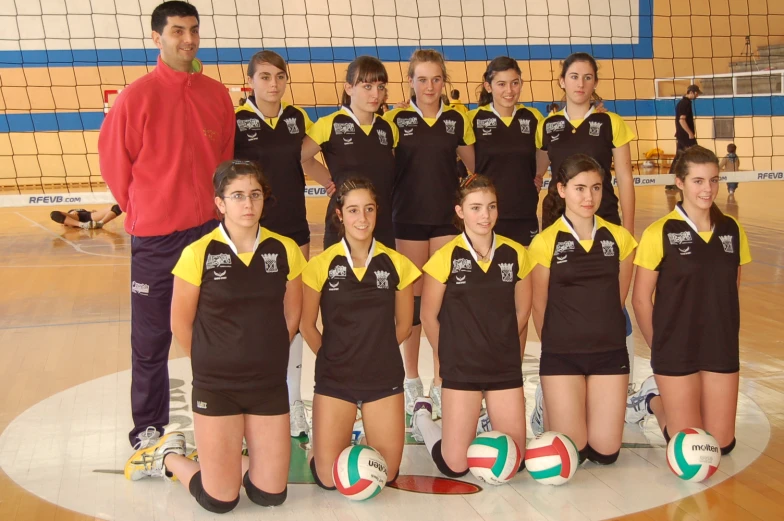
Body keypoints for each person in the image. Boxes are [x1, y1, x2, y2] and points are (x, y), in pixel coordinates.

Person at [125, 161, 306, 513]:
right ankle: (169, 457)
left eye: (254, 195)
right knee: (220, 500)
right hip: (216, 384)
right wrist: (213, 360)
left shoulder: (284, 249)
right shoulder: (198, 253)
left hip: (267, 384)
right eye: (237, 196)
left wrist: (264, 353)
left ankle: (218, 461)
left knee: (271, 495)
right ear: (220, 204)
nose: (248, 204)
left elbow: (291, 315)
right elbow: (180, 324)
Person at [98, 1, 235, 454]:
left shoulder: (216, 95)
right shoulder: (135, 98)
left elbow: (227, 167)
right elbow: (116, 168)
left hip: (209, 235)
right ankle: (149, 430)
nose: (188, 39)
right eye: (177, 31)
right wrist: (145, 211)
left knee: (218, 331)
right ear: (157, 37)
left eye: (193, 30)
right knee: (152, 338)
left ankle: (226, 414)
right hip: (156, 240)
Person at [626, 146, 751, 458]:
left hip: (720, 343)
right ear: (679, 183)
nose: (707, 189)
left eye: (713, 180)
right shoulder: (660, 232)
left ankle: (655, 398)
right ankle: (653, 400)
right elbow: (641, 299)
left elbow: (731, 286)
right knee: (691, 446)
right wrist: (661, 347)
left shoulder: (732, 230)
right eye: (697, 181)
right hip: (675, 346)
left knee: (721, 445)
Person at [300, 177, 420, 490]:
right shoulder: (320, 265)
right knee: (328, 479)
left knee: (386, 473)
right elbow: (306, 324)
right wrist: (333, 355)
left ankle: (365, 436)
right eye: (353, 210)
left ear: (378, 212)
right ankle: (321, 449)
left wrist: (374, 351)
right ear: (339, 214)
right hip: (335, 378)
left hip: (382, 377)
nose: (362, 218)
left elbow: (405, 326)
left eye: (368, 209)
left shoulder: (398, 264)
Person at [411, 174, 532, 478]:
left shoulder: (516, 254)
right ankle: (424, 419)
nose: (485, 215)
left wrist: (503, 348)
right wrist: (448, 356)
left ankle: (485, 422)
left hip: (502, 365)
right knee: (455, 466)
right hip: (461, 368)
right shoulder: (445, 257)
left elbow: (522, 311)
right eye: (476, 208)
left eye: (491, 207)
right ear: (460, 211)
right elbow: (428, 316)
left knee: (513, 462)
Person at [536, 52, 638, 397]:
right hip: (558, 223)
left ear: (595, 84)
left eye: (588, 77)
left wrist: (629, 227)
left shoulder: (611, 122)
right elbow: (537, 174)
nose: (581, 84)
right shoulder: (547, 125)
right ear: (562, 81)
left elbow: (624, 176)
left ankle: (623, 379)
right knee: (558, 301)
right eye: (574, 77)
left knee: (611, 300)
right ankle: (553, 382)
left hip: (604, 219)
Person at [384, 49, 476, 415]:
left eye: (436, 79)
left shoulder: (457, 120)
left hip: (444, 220)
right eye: (422, 79)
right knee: (414, 302)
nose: (430, 86)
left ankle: (440, 378)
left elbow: (473, 165)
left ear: (444, 82)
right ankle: (411, 378)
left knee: (443, 303)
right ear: (410, 81)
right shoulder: (394, 120)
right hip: (406, 218)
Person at [528, 154, 637, 465]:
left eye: (596, 188)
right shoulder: (545, 242)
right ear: (561, 190)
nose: (588, 197)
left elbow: (617, 300)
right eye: (579, 188)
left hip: (609, 351)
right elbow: (539, 305)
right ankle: (547, 401)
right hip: (562, 354)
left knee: (606, 454)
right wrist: (555, 349)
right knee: (572, 452)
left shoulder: (621, 239)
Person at [233, 49, 313, 438]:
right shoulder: (235, 121)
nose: (273, 84)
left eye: (279, 77)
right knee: (252, 316)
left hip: (294, 231)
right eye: (264, 77)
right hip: (251, 234)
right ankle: (248, 405)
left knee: (291, 318)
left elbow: (308, 159)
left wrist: (335, 182)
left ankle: (292, 402)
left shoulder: (297, 119)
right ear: (251, 81)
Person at [302, 56, 398, 248]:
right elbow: (301, 158)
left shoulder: (389, 128)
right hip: (343, 224)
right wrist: (329, 182)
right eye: (367, 86)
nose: (376, 94)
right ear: (349, 88)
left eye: (381, 87)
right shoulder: (328, 124)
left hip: (383, 223)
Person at [468, 56, 547, 247]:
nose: (509, 91)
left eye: (514, 83)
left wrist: (538, 174)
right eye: (501, 84)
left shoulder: (533, 117)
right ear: (488, 86)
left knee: (525, 274)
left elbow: (546, 149)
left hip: (523, 211)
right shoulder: (472, 119)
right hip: (485, 215)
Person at [667, 84, 701, 190]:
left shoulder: (682, 103)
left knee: (678, 157)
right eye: (696, 93)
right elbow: (682, 120)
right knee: (697, 154)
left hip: (681, 136)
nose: (697, 96)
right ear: (691, 92)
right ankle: (697, 178)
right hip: (685, 137)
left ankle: (670, 183)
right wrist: (690, 133)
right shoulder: (685, 103)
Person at [49, 204, 122, 229]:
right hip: (78, 217)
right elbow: (56, 215)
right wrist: (72, 212)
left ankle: (100, 223)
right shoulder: (73, 213)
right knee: (54, 214)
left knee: (118, 207)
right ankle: (83, 225)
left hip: (89, 216)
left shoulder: (86, 213)